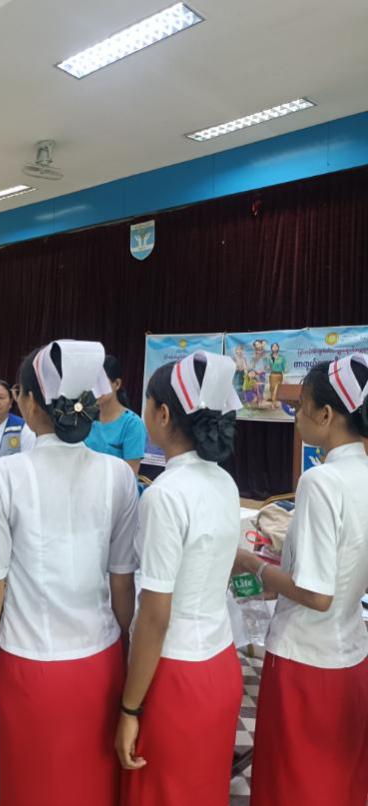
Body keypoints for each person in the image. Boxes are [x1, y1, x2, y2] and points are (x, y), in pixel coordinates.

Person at [0, 340, 139, 806]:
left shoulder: (1, 476)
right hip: (101, 659)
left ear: (30, 404)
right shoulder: (119, 474)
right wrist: (127, 646)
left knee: (37, 785)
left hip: (32, 664)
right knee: (92, 785)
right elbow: (122, 581)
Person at [234, 354, 368, 806]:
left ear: (326, 415)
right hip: (351, 655)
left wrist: (251, 564)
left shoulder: (321, 481)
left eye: (301, 406)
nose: (297, 416)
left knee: (293, 785)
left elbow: (316, 593)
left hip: (305, 661)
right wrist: (282, 570)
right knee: (336, 784)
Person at [116, 351, 243, 806]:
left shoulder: (165, 496)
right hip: (221, 665)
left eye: (148, 404)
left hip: (174, 677)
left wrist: (129, 708)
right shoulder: (225, 483)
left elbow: (155, 616)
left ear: (164, 414)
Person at [84, 355, 147, 475]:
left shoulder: (132, 424)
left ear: (117, 384)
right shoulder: (86, 418)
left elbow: (130, 475)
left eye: (100, 382)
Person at [266, 342, 286, 408]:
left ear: (278, 348)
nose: (275, 348)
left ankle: (274, 403)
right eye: (273, 347)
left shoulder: (282, 358)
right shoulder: (269, 357)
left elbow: (284, 368)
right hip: (272, 375)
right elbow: (267, 368)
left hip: (279, 375)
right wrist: (267, 366)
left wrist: (285, 377)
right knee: (272, 389)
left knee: (277, 389)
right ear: (271, 348)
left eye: (276, 346)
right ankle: (273, 403)